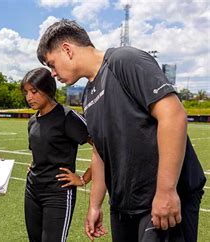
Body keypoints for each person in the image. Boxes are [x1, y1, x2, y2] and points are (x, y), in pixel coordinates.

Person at [37, 19, 206, 242]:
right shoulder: (88, 95)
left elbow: (173, 115)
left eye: (52, 63)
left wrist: (166, 191)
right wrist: (95, 205)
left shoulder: (124, 60)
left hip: (158, 200)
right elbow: (100, 151)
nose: (53, 74)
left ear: (67, 50)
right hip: (124, 206)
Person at [21, 67, 95, 241]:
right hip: (32, 190)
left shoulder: (67, 116)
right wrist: (34, 164)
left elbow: (101, 146)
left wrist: (84, 179)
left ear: (48, 89)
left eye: (34, 91)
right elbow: (39, 150)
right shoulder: (33, 121)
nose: (29, 97)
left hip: (58, 193)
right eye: (26, 92)